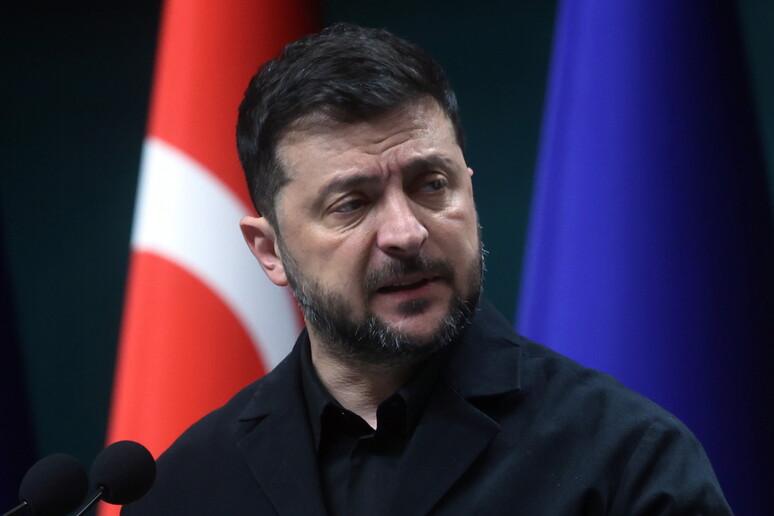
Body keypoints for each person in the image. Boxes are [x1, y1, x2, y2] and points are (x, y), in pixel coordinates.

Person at [123, 23, 732, 515]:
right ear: (269, 251)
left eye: (431, 185)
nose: (406, 233)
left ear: (470, 189)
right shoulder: (183, 487)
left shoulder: (625, 457)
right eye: (352, 204)